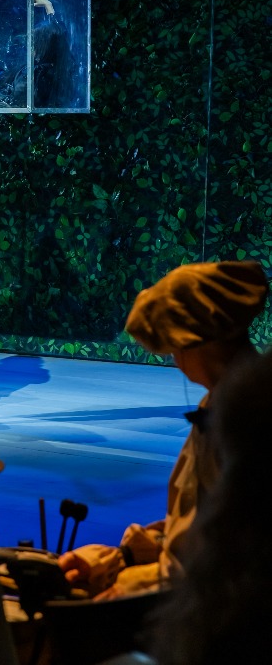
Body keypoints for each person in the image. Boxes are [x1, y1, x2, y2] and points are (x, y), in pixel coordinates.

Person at [57, 260, 269, 599]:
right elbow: (196, 529)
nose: (174, 359)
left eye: (173, 347)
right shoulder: (222, 402)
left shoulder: (245, 422)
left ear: (195, 342)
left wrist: (122, 587)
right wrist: (121, 558)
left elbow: (221, 566)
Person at [145, 345, 272, 665]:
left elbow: (217, 553)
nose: (173, 356)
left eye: (176, 345)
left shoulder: (234, 414)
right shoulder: (216, 405)